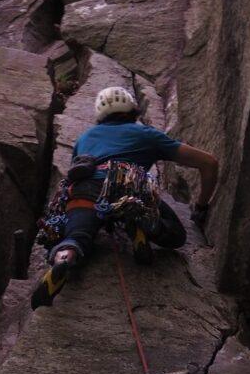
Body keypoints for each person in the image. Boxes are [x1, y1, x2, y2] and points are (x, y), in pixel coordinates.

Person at [31, 86, 218, 309]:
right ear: (132, 108)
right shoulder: (147, 134)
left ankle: (65, 257)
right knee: (175, 235)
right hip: (129, 188)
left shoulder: (85, 138)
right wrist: (201, 206)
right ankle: (141, 224)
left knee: (77, 235)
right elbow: (208, 163)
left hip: (84, 189)